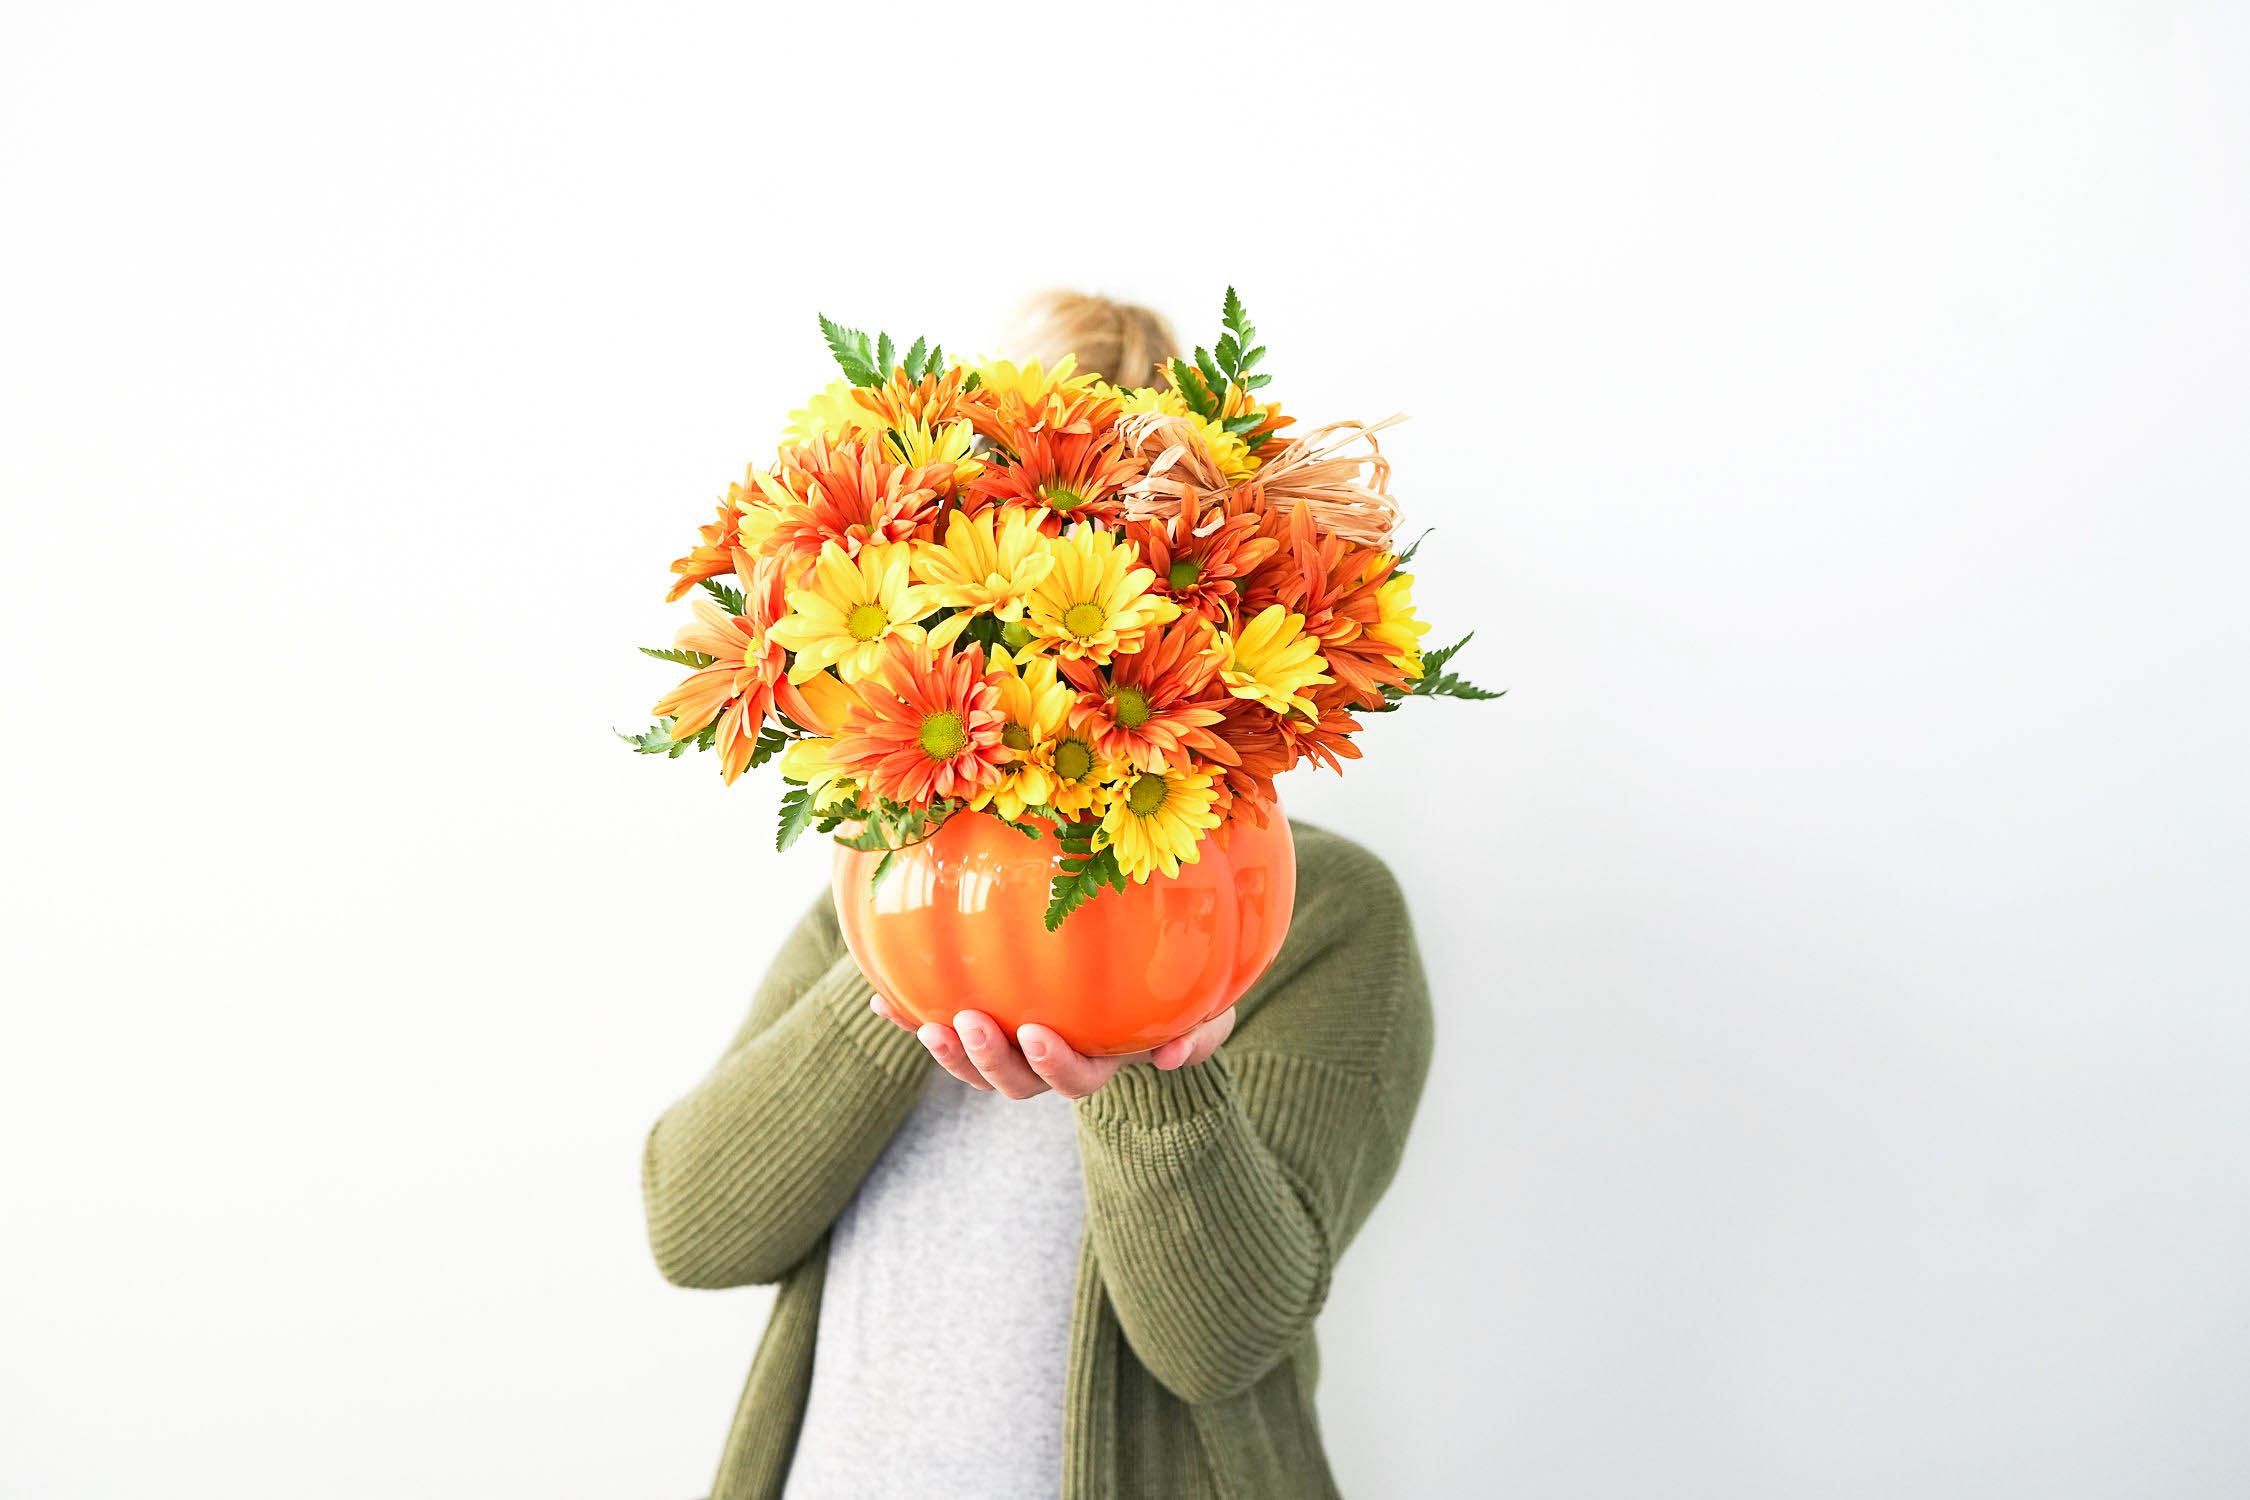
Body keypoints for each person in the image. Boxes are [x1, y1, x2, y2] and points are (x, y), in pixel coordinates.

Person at [641, 292, 1434, 1500]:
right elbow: (697, 1231)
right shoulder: (886, 859)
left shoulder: (1317, 907)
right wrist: (929, 940)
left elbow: (1222, 1340)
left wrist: (1151, 1063)